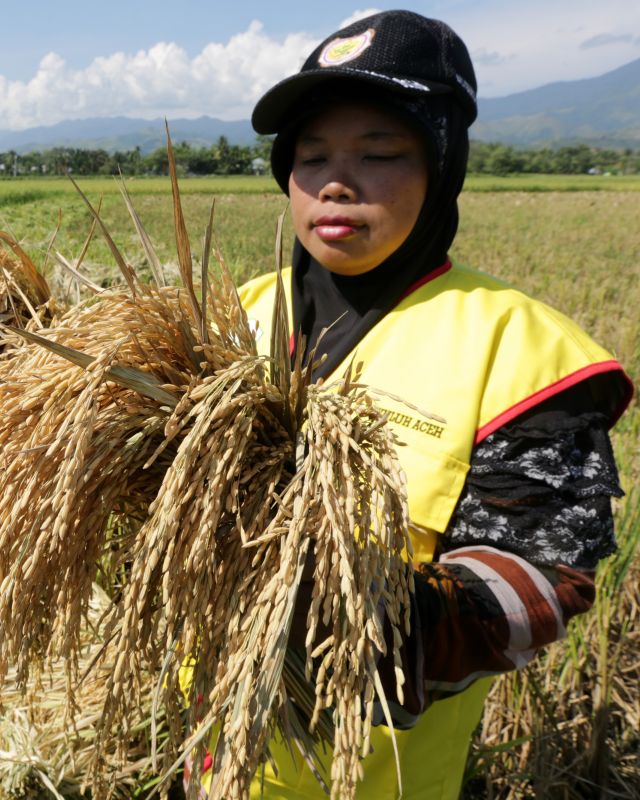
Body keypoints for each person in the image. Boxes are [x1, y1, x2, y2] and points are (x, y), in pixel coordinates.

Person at [187, 10, 633, 798]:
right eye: (311, 154)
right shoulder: (230, 320)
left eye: (380, 153)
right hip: (209, 764)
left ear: (443, 165)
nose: (334, 180)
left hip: (373, 778)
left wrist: (334, 623)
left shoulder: (521, 350)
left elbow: (541, 579)